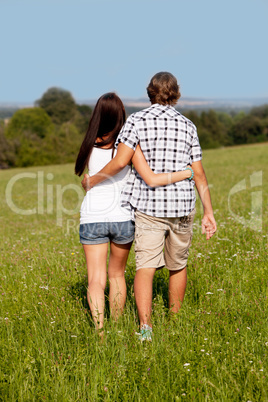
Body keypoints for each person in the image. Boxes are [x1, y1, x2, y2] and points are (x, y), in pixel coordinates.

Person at [82, 74, 217, 341]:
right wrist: (209, 212)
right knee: (178, 265)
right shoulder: (189, 125)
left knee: (145, 266)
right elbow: (198, 173)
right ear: (176, 94)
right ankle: (175, 320)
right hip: (182, 206)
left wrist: (93, 180)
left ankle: (145, 328)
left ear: (149, 93)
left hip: (149, 208)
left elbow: (122, 160)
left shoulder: (136, 121)